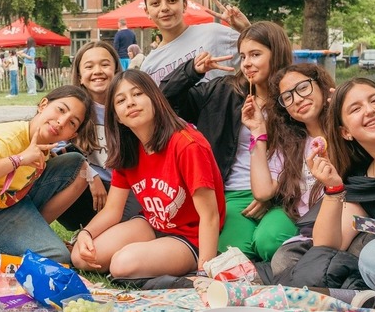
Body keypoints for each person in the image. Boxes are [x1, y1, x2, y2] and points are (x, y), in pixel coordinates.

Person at [270, 78, 375, 303]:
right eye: (356, 109)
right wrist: (333, 188)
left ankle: (369, 298)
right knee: (287, 258)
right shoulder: (362, 182)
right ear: (345, 132)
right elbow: (327, 245)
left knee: (373, 255)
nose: (369, 111)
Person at [70, 70, 225, 278]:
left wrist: (205, 272)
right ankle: (151, 254)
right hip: (153, 224)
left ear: (155, 99)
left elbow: (210, 216)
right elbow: (113, 210)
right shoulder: (129, 148)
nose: (131, 103)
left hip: (191, 236)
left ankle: (177, 263)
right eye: (121, 100)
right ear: (117, 116)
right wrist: (86, 234)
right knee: (82, 257)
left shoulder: (187, 144)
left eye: (138, 94)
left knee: (122, 264)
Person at [161, 21, 295, 262]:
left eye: (255, 54)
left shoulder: (293, 98)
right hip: (232, 194)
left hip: (282, 195)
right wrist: (191, 71)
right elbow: (165, 100)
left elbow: (304, 153)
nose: (247, 63)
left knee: (271, 243)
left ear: (277, 54)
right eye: (243, 56)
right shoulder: (223, 91)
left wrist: (271, 195)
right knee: (234, 254)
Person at [0, 86, 93, 271]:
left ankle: (30, 238)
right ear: (43, 104)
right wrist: (19, 159)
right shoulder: (7, 138)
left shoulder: (42, 143)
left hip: (7, 204)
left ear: (73, 135)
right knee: (57, 259)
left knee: (76, 163)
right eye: (61, 109)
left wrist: (93, 178)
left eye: (72, 123)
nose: (61, 122)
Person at [243, 63, 335, 258]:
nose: (298, 99)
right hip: (303, 222)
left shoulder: (345, 130)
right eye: (287, 97)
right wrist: (258, 130)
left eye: (303, 87)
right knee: (267, 241)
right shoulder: (290, 143)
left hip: (340, 218)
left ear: (320, 85)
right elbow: (263, 192)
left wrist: (346, 105)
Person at [56, 41, 141, 231]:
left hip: (125, 188)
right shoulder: (73, 110)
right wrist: (90, 174)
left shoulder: (129, 106)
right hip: (88, 189)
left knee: (116, 235)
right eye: (89, 66)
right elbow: (54, 149)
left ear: (116, 69)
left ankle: (90, 236)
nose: (98, 71)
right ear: (79, 76)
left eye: (105, 64)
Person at [140, 0, 249, 85]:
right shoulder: (148, 66)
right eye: (155, 3)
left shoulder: (214, 34)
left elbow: (262, 55)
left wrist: (246, 29)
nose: (164, 8)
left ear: (185, 5)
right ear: (147, 11)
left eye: (172, 0)